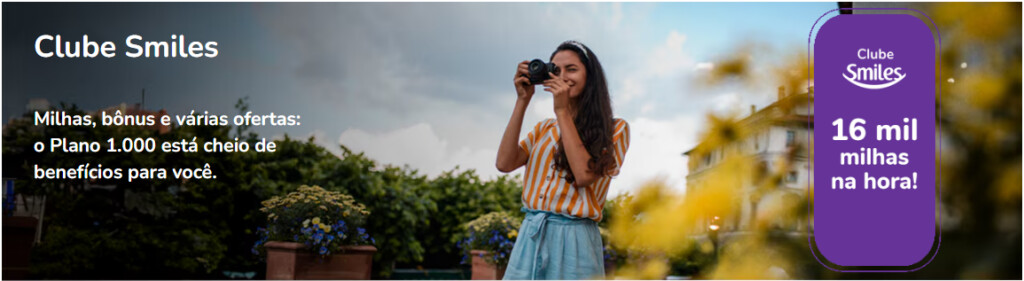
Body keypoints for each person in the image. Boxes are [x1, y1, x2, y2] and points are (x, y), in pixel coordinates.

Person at [495, 40, 630, 280]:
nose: (563, 76)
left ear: (591, 76)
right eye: (556, 70)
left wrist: (562, 111)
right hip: (531, 234)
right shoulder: (544, 128)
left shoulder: (615, 129)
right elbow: (504, 164)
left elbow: (584, 175)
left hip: (575, 240)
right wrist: (522, 101)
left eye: (572, 69)